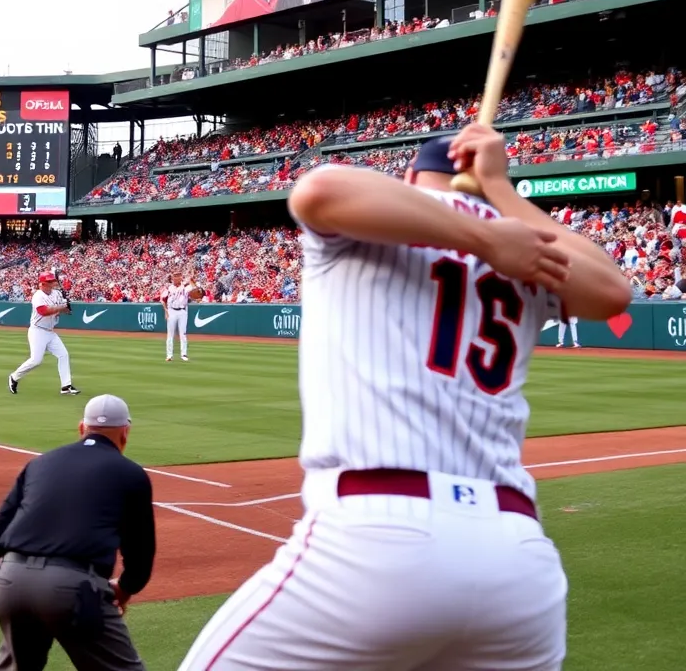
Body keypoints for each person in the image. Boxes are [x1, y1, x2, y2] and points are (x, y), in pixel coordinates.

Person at [177, 126, 630, 670]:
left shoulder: (384, 221)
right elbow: (612, 290)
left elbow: (318, 191)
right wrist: (503, 198)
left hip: (379, 534)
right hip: (517, 560)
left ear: (412, 177)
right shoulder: (530, 251)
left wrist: (488, 231)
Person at [0, 394, 156, 671]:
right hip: (70, 589)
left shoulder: (41, 462)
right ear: (126, 432)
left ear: (82, 428)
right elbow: (140, 551)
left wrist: (18, 570)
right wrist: (125, 590)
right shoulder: (131, 473)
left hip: (8, 584)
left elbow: (0, 524)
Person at [8, 271, 81, 396]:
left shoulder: (57, 294)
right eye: (49, 282)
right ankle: (14, 377)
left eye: (52, 281)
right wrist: (61, 307)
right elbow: (44, 311)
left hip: (50, 332)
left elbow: (66, 311)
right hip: (37, 331)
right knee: (36, 360)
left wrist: (67, 307)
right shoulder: (38, 296)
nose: (52, 283)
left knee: (63, 355)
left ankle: (66, 386)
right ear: (42, 284)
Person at [161, 270, 195, 362]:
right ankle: (169, 355)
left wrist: (191, 279)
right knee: (170, 334)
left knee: (183, 334)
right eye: (175, 277)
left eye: (178, 276)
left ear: (181, 278)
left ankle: (183, 354)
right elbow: (162, 299)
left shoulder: (185, 288)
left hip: (182, 311)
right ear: (172, 279)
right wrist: (166, 311)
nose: (176, 278)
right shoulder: (169, 288)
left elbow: (194, 287)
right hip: (171, 311)